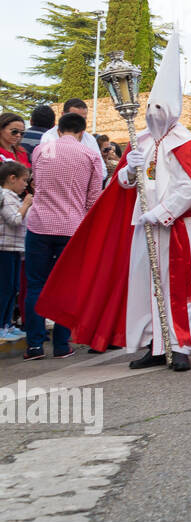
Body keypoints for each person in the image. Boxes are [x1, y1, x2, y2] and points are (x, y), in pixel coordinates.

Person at [38, 39, 191, 368]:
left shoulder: (188, 144)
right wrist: (130, 169)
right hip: (145, 227)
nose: (154, 114)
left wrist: (163, 212)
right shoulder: (140, 141)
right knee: (146, 285)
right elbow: (122, 185)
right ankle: (155, 344)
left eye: (160, 108)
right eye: (151, 106)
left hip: (181, 227)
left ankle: (180, 345)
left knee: (185, 285)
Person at [18, 112, 101, 359]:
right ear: (82, 132)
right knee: (66, 286)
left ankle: (34, 346)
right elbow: (93, 197)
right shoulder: (90, 155)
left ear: (59, 128)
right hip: (72, 228)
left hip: (39, 225)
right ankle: (62, 345)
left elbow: (38, 184)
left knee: (35, 285)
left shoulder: (42, 151)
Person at [0, 161, 31, 340]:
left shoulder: (13, 197)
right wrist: (26, 204)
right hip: (5, 249)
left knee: (13, 288)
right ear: (12, 179)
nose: (26, 185)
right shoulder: (5, 196)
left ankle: (8, 324)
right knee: (5, 288)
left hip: (14, 249)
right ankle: (2, 324)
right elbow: (14, 219)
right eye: (23, 180)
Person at [40, 99, 107, 179]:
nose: (79, 123)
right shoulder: (49, 137)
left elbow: (102, 172)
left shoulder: (90, 139)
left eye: (83, 119)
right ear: (63, 115)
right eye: (74, 118)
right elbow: (46, 169)